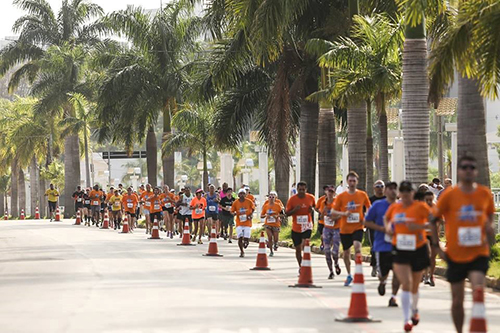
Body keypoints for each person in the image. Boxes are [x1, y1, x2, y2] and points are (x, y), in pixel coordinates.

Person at [431, 155, 495, 333]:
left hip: (478, 253)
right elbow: (433, 219)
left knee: (478, 291)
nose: (468, 170)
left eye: (471, 167)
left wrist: (489, 230)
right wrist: (437, 246)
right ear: (458, 171)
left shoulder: (484, 194)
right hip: (455, 254)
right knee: (457, 301)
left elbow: (490, 216)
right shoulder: (449, 195)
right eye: (464, 167)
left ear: (476, 171)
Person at [385, 181, 430, 333]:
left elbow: (433, 224)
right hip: (400, 248)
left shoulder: (421, 207)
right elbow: (387, 219)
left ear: (413, 192)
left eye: (408, 190)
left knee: (415, 286)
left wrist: (418, 227)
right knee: (406, 283)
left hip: (418, 248)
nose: (405, 193)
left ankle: (415, 309)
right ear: (399, 193)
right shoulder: (395, 207)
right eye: (402, 190)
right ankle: (406, 320)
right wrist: (387, 228)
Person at [332, 172, 371, 286]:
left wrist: (367, 218)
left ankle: (358, 271)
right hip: (345, 229)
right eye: (350, 181)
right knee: (346, 253)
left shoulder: (362, 195)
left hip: (358, 226)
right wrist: (343, 213)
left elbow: (369, 208)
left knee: (358, 247)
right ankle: (349, 274)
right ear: (347, 182)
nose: (352, 183)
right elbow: (333, 212)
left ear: (357, 182)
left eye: (354, 181)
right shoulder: (341, 196)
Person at [364, 181, 400, 307]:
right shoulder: (378, 205)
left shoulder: (402, 206)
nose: (392, 191)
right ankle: (383, 282)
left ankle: (393, 297)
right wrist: (382, 229)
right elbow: (366, 222)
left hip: (399, 245)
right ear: (386, 192)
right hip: (382, 244)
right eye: (390, 189)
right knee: (383, 273)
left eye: (395, 189)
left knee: (398, 272)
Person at [285, 181, 316, 272]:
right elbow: (287, 213)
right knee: (298, 249)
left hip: (307, 225)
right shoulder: (292, 199)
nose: (302, 191)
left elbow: (315, 207)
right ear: (297, 189)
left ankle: (306, 264)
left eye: (303, 190)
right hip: (296, 227)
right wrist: (295, 210)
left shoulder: (311, 198)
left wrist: (312, 209)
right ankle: (301, 265)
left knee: (304, 244)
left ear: (306, 189)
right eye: (300, 190)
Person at [319, 187, 341, 279]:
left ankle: (336, 263)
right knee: (327, 250)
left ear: (334, 193)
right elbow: (320, 217)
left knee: (335, 251)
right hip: (327, 228)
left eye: (332, 191)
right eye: (329, 192)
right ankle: (331, 271)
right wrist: (322, 213)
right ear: (326, 193)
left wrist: (335, 217)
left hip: (336, 228)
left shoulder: (338, 202)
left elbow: (343, 213)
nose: (330, 193)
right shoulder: (323, 203)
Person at [368, 180, 386, 277]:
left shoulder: (388, 199)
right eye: (377, 186)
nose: (380, 188)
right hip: (373, 227)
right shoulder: (370, 200)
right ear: (374, 188)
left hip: (386, 228)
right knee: (375, 247)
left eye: (381, 186)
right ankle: (374, 266)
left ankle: (383, 267)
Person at [231, 188, 255, 257]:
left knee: (246, 238)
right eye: (240, 194)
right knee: (240, 237)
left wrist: (250, 215)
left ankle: (246, 242)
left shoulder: (249, 201)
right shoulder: (236, 202)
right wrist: (234, 213)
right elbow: (232, 211)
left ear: (245, 195)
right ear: (238, 195)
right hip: (239, 223)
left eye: (243, 194)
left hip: (247, 223)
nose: (242, 195)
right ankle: (241, 251)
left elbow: (253, 208)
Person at [422, 191, 438, 286]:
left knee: (433, 257)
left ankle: (431, 275)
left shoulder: (436, 207)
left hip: (433, 235)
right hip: (424, 234)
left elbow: (440, 220)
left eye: (430, 200)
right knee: (427, 254)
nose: (428, 202)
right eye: (426, 200)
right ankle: (425, 275)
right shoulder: (421, 208)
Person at [260, 191, 282, 257]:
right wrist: (266, 215)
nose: (271, 198)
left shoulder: (278, 205)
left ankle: (275, 243)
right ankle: (271, 251)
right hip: (268, 224)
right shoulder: (266, 206)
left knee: (275, 238)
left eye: (273, 197)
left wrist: (277, 216)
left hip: (276, 224)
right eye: (270, 197)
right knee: (269, 237)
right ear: (268, 198)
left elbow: (283, 215)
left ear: (275, 198)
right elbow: (261, 215)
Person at [315, 185, 331, 251]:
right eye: (326, 190)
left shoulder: (336, 199)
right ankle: (322, 243)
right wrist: (320, 212)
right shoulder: (321, 200)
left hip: (331, 220)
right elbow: (316, 208)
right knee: (322, 234)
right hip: (322, 220)